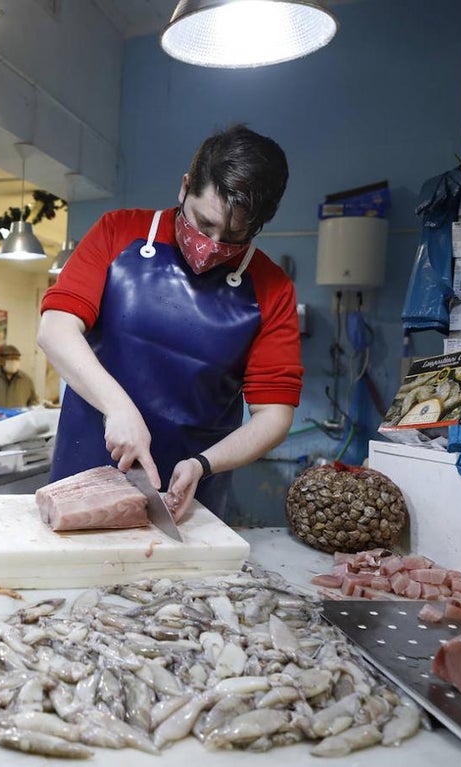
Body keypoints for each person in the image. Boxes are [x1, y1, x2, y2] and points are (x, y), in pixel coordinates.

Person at [37, 124, 303, 520]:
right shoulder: (117, 232)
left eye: (233, 235)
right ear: (184, 188)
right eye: (203, 223)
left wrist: (203, 464)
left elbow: (274, 416)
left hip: (189, 497)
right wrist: (118, 408)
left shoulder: (272, 288)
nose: (212, 244)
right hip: (84, 470)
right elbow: (55, 329)